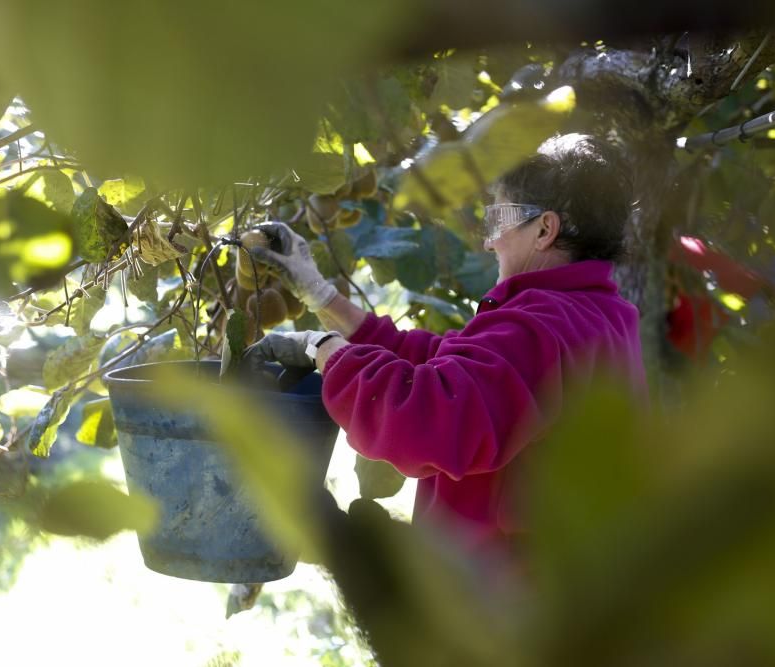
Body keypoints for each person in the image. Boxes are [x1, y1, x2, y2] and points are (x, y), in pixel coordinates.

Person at [244, 134, 647, 558]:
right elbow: (457, 369)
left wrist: (323, 349)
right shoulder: (602, 315)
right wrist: (319, 294)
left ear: (545, 229)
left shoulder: (538, 325)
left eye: (498, 220)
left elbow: (421, 417)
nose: (489, 242)